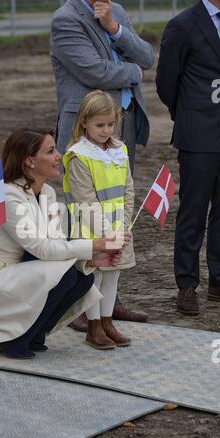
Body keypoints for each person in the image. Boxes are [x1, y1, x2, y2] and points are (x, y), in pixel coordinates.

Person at [0, 128, 123, 358]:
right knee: (65, 275)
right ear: (29, 161)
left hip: (16, 271)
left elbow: (54, 244)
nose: (59, 156)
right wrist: (94, 245)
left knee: (82, 278)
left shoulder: (46, 191)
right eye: (51, 151)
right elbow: (42, 249)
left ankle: (33, 334)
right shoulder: (7, 195)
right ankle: (12, 340)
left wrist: (90, 257)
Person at [51, 0, 153, 325]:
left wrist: (114, 29)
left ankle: (108, 303)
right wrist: (134, 72)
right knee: (84, 216)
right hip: (85, 130)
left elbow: (147, 56)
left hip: (121, 123)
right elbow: (95, 71)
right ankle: (79, 303)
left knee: (115, 208)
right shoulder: (66, 19)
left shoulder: (116, 12)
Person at [156, 0, 220, 315]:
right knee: (193, 211)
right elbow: (167, 82)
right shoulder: (183, 25)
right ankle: (186, 285)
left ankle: (218, 281)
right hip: (198, 135)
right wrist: (189, 114)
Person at [63, 90, 134, 349]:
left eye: (111, 124)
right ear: (84, 122)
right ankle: (93, 327)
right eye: (99, 125)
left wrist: (123, 227)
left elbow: (128, 190)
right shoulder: (78, 156)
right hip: (93, 231)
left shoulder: (120, 150)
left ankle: (107, 322)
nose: (106, 130)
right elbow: (86, 201)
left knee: (112, 275)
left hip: (119, 228)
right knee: (95, 276)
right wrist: (108, 236)